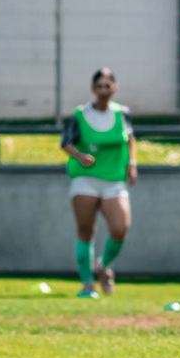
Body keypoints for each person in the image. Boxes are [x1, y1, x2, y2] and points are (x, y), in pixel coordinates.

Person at [61, 67, 137, 298]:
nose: (104, 90)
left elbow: (131, 138)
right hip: (86, 179)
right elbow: (66, 143)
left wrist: (132, 164)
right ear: (93, 89)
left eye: (108, 85)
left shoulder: (122, 113)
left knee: (120, 228)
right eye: (100, 86)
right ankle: (87, 284)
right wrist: (79, 156)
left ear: (114, 88)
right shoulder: (81, 113)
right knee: (86, 230)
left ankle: (102, 265)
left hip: (114, 179)